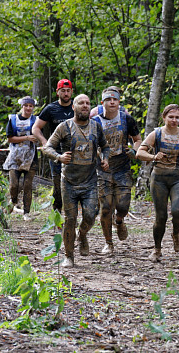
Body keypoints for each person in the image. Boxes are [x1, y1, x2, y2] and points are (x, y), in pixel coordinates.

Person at [42, 94, 110, 268]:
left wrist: (105, 158)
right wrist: (59, 156)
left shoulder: (96, 127)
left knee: (90, 214)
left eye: (88, 103)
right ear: (74, 106)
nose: (85, 106)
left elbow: (105, 146)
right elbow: (47, 147)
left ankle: (82, 235)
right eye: (81, 103)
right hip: (69, 182)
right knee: (70, 219)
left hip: (90, 181)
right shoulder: (64, 127)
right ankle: (69, 256)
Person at [137, 104, 179, 261]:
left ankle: (176, 233)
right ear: (164, 118)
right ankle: (157, 249)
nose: (174, 120)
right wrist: (153, 157)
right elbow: (140, 152)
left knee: (178, 211)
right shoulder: (156, 133)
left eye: (177, 117)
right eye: (171, 117)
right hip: (159, 179)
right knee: (161, 216)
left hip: (178, 177)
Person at [92, 86, 142, 254]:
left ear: (119, 102)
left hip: (122, 166)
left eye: (114, 99)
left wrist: (135, 151)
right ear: (102, 103)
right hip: (103, 168)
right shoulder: (95, 122)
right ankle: (108, 243)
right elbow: (92, 145)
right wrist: (99, 158)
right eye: (108, 99)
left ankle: (119, 220)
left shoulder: (127, 119)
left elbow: (137, 139)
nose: (112, 102)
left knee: (123, 205)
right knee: (105, 207)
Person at [33, 79, 74, 213]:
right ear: (58, 92)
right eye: (63, 91)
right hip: (56, 153)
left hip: (76, 152)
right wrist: (45, 143)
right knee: (58, 185)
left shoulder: (77, 106)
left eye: (68, 91)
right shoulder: (51, 109)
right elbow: (36, 128)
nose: (66, 93)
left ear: (72, 92)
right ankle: (57, 214)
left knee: (77, 184)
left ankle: (72, 216)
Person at [3, 96, 40, 221]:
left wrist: (37, 139)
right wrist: (26, 138)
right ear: (22, 106)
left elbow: (39, 135)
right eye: (26, 105)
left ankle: (26, 213)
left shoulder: (36, 120)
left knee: (28, 185)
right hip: (15, 157)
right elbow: (9, 138)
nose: (28, 108)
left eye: (31, 106)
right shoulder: (12, 119)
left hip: (31, 157)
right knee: (14, 185)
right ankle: (13, 204)